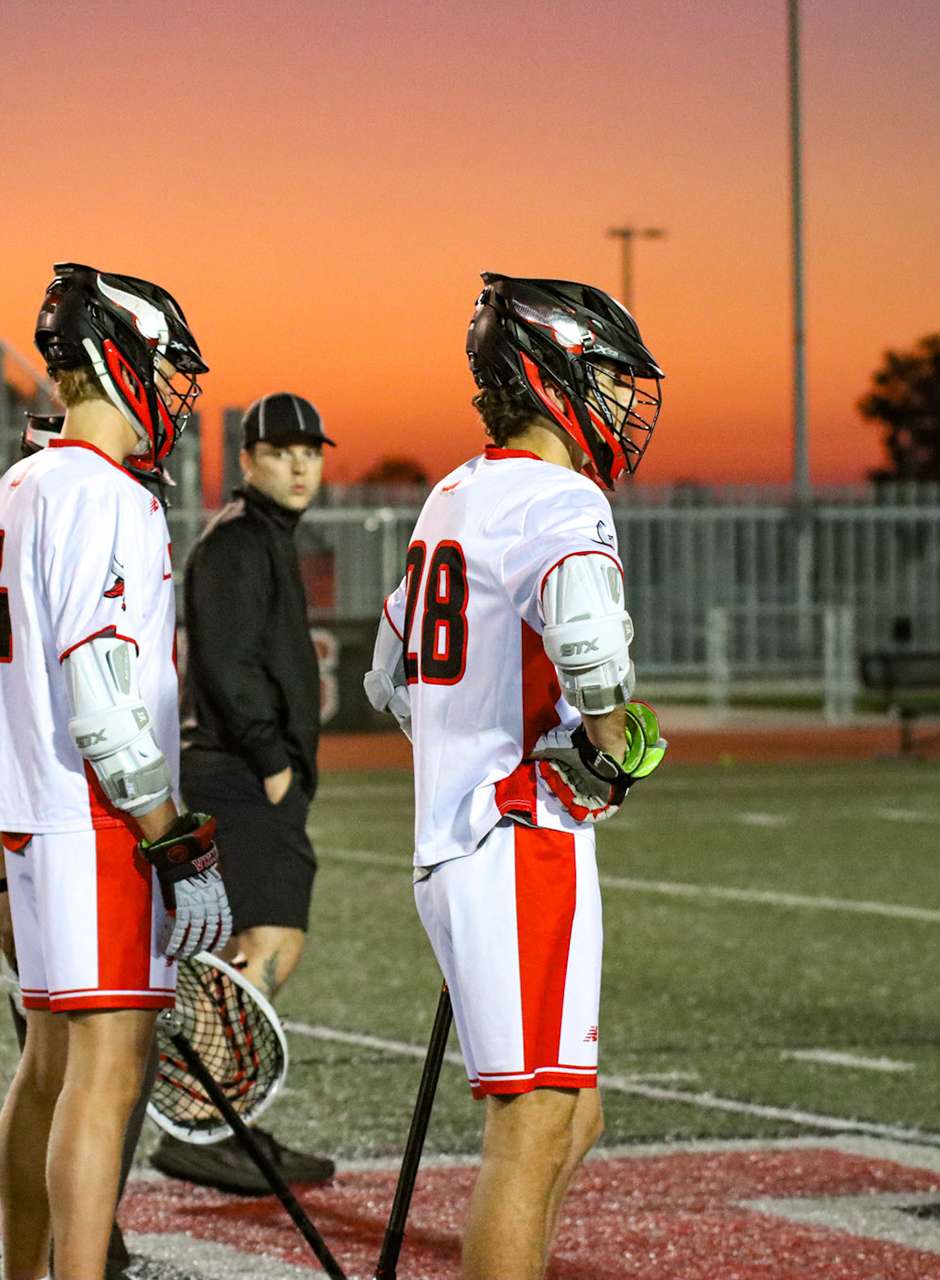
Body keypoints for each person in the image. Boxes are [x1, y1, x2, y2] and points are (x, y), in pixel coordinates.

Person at [362, 273, 668, 1279]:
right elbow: (590, 647)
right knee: (533, 1126)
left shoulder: (455, 492)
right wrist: (610, 741)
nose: (623, 399)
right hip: (513, 837)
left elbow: (388, 674)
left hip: (468, 834)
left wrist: (469, 740)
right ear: (554, 376)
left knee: (574, 1115)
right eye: (611, 376)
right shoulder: (559, 495)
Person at [0, 262, 232, 1280]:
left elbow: (4, 685)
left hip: (31, 817)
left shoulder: (24, 480)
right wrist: (170, 833)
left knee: (46, 1066)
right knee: (107, 1068)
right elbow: (98, 684)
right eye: (165, 367)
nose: (174, 391)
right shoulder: (103, 491)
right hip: (96, 820)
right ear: (115, 359)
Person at [153, 391, 338, 1193]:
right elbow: (227, 664)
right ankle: (207, 1117)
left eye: (312, 452)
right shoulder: (237, 540)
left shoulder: (261, 537)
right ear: (248, 460)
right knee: (272, 940)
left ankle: (224, 1121)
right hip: (237, 774)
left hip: (241, 774)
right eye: (282, 451)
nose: (300, 466)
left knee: (245, 945)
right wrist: (273, 761)